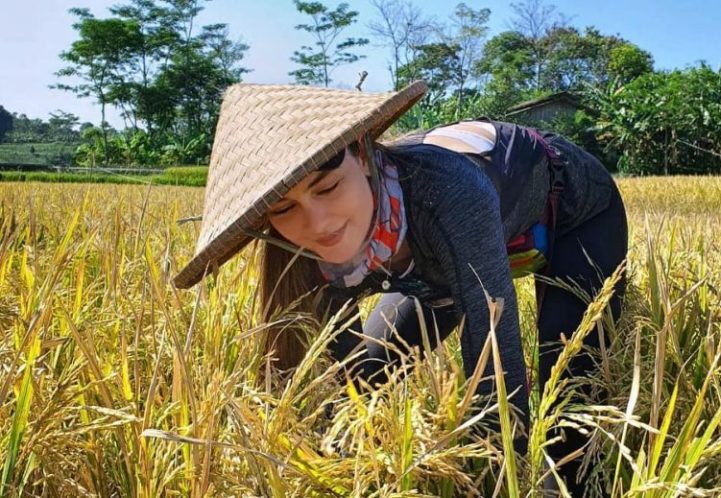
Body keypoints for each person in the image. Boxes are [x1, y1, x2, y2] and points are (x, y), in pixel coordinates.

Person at [174, 80, 628, 495]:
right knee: (370, 371)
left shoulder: (447, 192)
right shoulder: (303, 252)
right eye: (285, 209)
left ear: (364, 156)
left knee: (569, 407)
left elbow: (495, 366)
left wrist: (489, 479)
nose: (319, 224)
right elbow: (346, 383)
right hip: (440, 263)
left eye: (328, 187)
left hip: (573, 215)